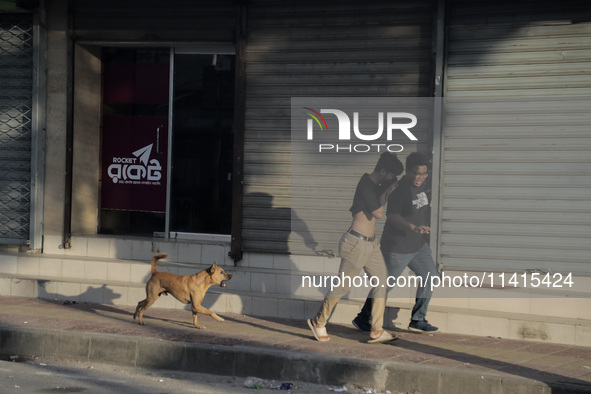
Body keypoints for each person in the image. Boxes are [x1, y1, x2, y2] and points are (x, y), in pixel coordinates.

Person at [307, 152, 404, 343]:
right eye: (392, 175)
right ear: (383, 171)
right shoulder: (366, 184)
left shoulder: (376, 185)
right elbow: (377, 213)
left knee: (382, 282)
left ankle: (376, 329)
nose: (393, 178)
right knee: (343, 286)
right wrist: (387, 193)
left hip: (371, 244)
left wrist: (386, 190)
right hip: (356, 243)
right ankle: (318, 321)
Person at [353, 152, 439, 333]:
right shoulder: (398, 189)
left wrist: (419, 231)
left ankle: (418, 319)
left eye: (423, 174)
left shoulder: (423, 185)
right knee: (385, 285)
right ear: (408, 171)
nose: (420, 177)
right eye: (416, 173)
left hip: (418, 245)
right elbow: (392, 216)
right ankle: (363, 318)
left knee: (430, 276)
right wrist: (413, 227)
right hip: (398, 247)